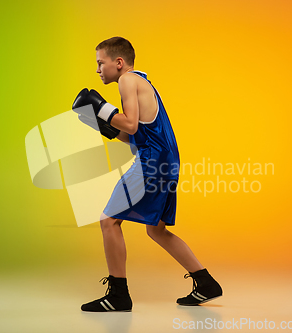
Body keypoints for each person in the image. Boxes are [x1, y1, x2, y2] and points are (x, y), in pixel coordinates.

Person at [72, 36, 223, 312]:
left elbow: (129, 124)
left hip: (152, 162)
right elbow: (134, 136)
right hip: (166, 160)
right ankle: (206, 283)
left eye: (100, 63)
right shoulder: (142, 82)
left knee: (108, 221)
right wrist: (100, 124)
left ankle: (118, 295)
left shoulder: (127, 81)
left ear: (118, 63)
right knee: (156, 230)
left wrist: (102, 109)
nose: (97, 70)